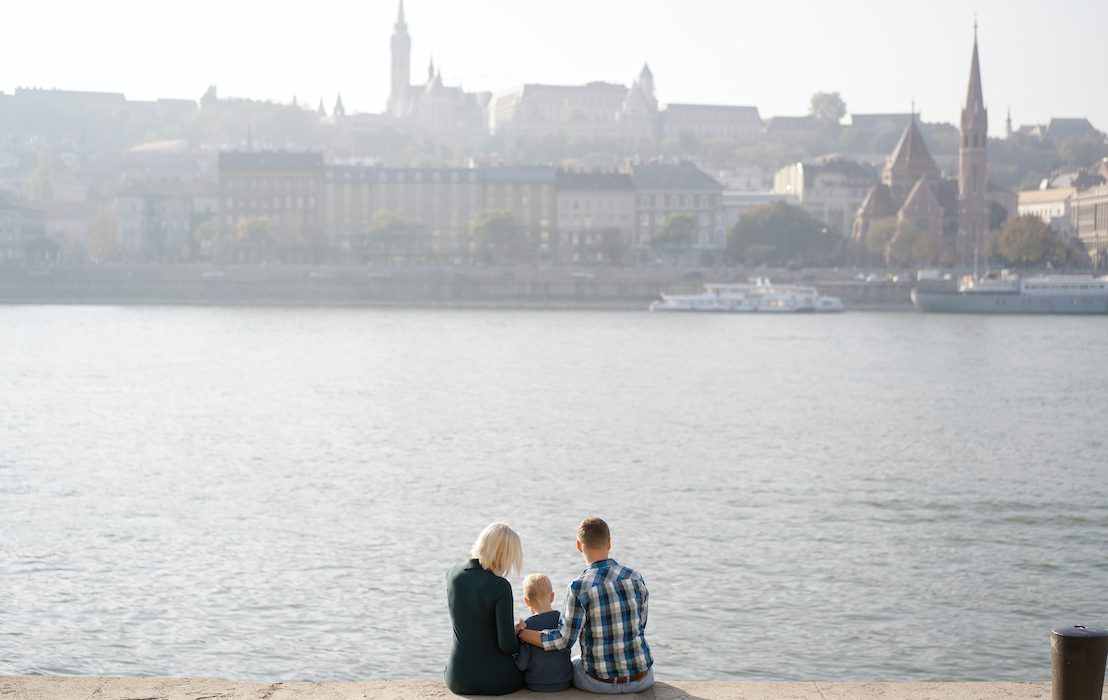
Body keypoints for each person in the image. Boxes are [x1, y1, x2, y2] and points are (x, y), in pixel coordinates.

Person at [516, 517, 653, 693]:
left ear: (579, 546)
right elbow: (641, 625)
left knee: (574, 661)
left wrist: (523, 633)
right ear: (609, 543)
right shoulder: (635, 578)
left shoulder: (579, 587)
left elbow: (562, 641)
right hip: (642, 678)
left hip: (600, 683)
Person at [444, 522, 525, 696]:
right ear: (503, 555)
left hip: (456, 677)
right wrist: (518, 633)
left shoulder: (452, 575)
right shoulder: (500, 586)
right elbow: (507, 646)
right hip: (496, 680)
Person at [514, 573, 573, 692]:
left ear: (527, 601)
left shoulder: (527, 627)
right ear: (552, 597)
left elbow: (522, 664)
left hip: (536, 683)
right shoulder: (563, 621)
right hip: (564, 681)